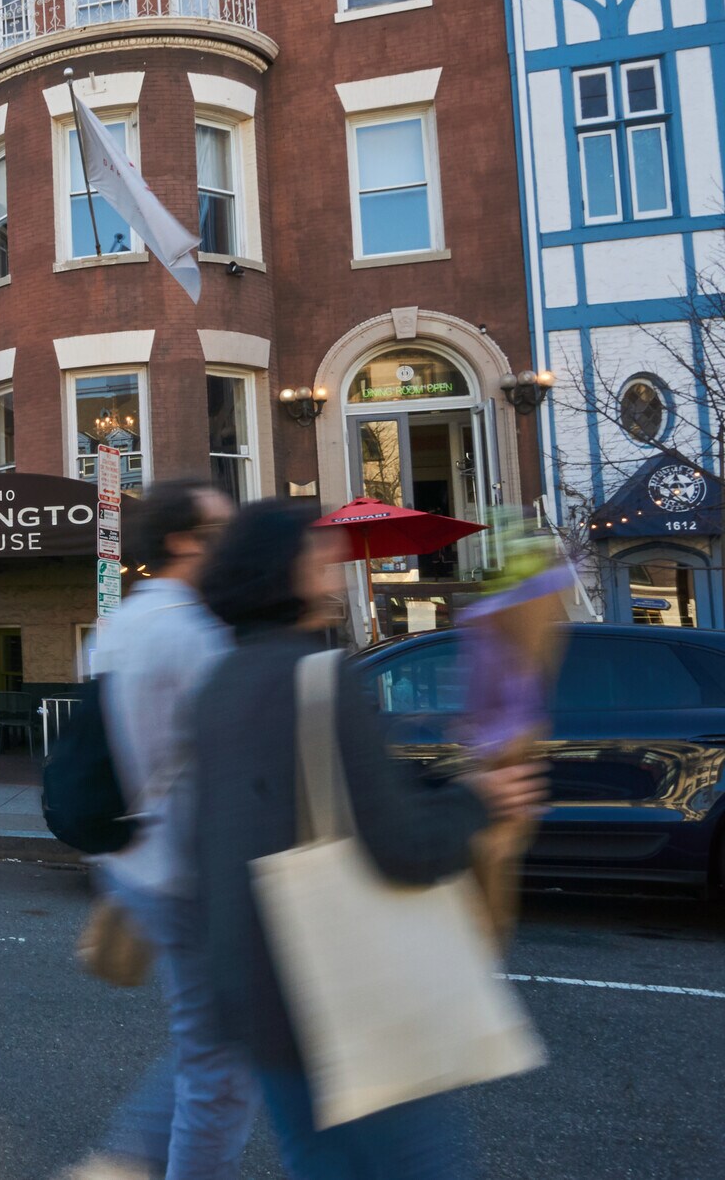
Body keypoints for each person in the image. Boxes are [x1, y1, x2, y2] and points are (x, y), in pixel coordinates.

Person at [190, 502, 546, 1179]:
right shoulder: (322, 682)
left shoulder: (215, 686)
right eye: (316, 553)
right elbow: (404, 848)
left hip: (258, 1003)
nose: (331, 563)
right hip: (349, 1000)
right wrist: (480, 799)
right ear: (284, 571)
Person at [79, 479, 253, 1180]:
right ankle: (129, 1162)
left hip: (134, 856)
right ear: (183, 541)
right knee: (221, 1058)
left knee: (209, 1041)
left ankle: (124, 1161)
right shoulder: (195, 633)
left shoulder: (116, 624)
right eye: (221, 531)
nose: (233, 545)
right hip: (188, 869)